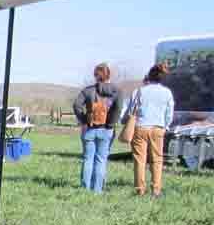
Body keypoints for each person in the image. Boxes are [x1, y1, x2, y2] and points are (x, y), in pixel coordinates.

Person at [72, 63, 123, 193]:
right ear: (108, 75)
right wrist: (110, 124)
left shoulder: (88, 90)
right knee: (101, 159)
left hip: (89, 129)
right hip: (106, 131)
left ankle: (85, 189)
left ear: (96, 75)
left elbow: (76, 105)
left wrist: (84, 120)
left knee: (88, 159)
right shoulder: (116, 91)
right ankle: (97, 190)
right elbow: (118, 109)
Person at [125, 63, 175, 197]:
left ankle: (140, 189)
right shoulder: (167, 93)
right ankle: (156, 190)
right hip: (158, 128)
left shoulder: (139, 91)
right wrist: (165, 126)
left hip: (140, 127)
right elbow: (169, 114)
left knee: (140, 160)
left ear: (149, 76)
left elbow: (131, 111)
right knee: (157, 160)